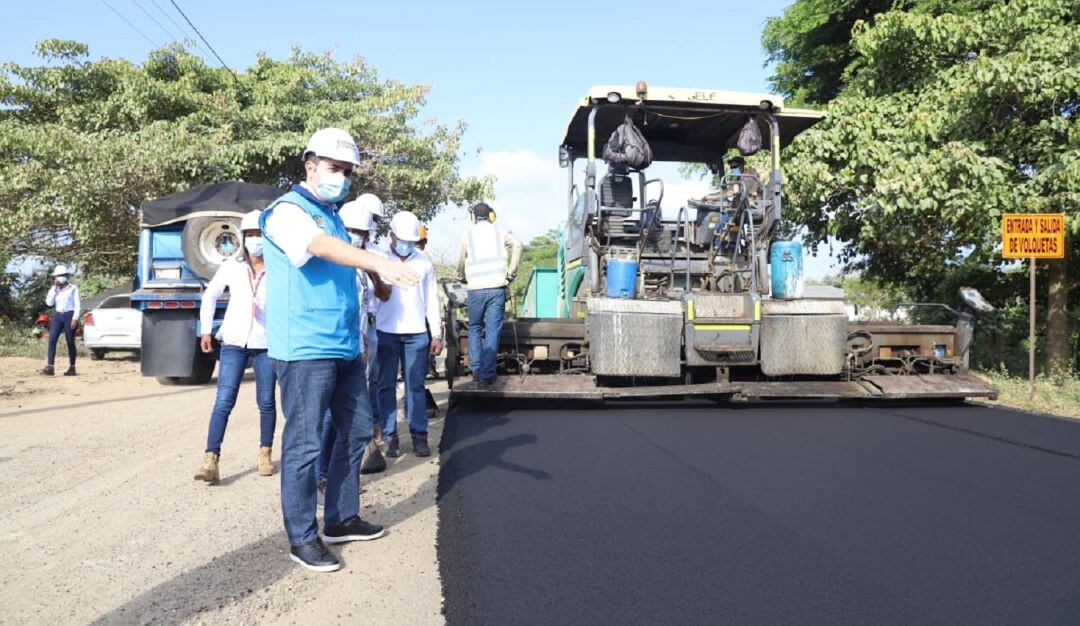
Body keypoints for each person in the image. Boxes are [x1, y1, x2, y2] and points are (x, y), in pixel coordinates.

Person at [260, 127, 419, 573]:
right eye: (334, 168)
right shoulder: (287, 213)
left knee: (355, 431)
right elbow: (320, 248)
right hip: (305, 347)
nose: (342, 177)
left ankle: (341, 517)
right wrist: (379, 262)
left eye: (348, 171)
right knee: (305, 444)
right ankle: (302, 538)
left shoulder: (329, 212)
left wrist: (360, 344)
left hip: (345, 346)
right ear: (309, 165)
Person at [315, 194, 390, 502]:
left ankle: (337, 482)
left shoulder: (366, 261)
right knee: (329, 419)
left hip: (356, 347)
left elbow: (378, 297)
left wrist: (372, 269)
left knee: (348, 421)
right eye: (352, 234)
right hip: (330, 347)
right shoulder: (326, 260)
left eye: (362, 235)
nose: (357, 239)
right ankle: (321, 479)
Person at [193, 210, 277, 484]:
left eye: (260, 235)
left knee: (266, 402)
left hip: (266, 344)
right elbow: (211, 296)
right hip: (233, 342)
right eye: (250, 235)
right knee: (223, 401)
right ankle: (211, 460)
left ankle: (265, 454)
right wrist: (206, 329)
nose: (255, 240)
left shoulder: (279, 267)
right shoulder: (232, 266)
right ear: (242, 238)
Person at [375, 211, 442, 458]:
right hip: (386, 332)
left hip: (416, 334)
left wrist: (436, 333)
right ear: (391, 235)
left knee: (415, 386)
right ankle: (390, 436)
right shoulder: (378, 259)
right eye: (402, 239)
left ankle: (419, 436)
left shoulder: (424, 263)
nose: (405, 245)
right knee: (385, 385)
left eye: (410, 241)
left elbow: (431, 301)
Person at [456, 202, 523, 386]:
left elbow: (461, 260)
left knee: (475, 328)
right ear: (492, 216)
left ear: (473, 218)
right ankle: (487, 375)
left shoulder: (466, 234)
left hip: (475, 289)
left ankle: (476, 369)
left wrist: (461, 276)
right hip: (497, 288)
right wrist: (511, 273)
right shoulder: (500, 231)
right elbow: (518, 245)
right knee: (493, 331)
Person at [40, 265, 81, 376]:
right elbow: (49, 303)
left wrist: (75, 318)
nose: (59, 278)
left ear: (66, 276)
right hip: (58, 315)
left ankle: (72, 367)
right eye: (58, 276)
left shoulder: (73, 288)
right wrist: (54, 288)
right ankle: (50, 366)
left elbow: (77, 305)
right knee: (52, 339)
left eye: (62, 276)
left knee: (70, 341)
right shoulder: (55, 289)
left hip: (69, 314)